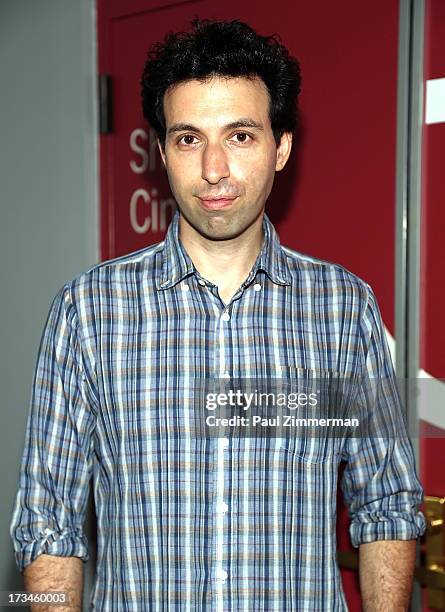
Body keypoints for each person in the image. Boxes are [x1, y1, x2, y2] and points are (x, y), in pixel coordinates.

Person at [10, 18, 425, 611]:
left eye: (240, 136)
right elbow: (48, 522)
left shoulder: (342, 312)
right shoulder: (90, 313)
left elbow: (386, 504)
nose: (213, 169)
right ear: (161, 152)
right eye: (187, 138)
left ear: (281, 146)